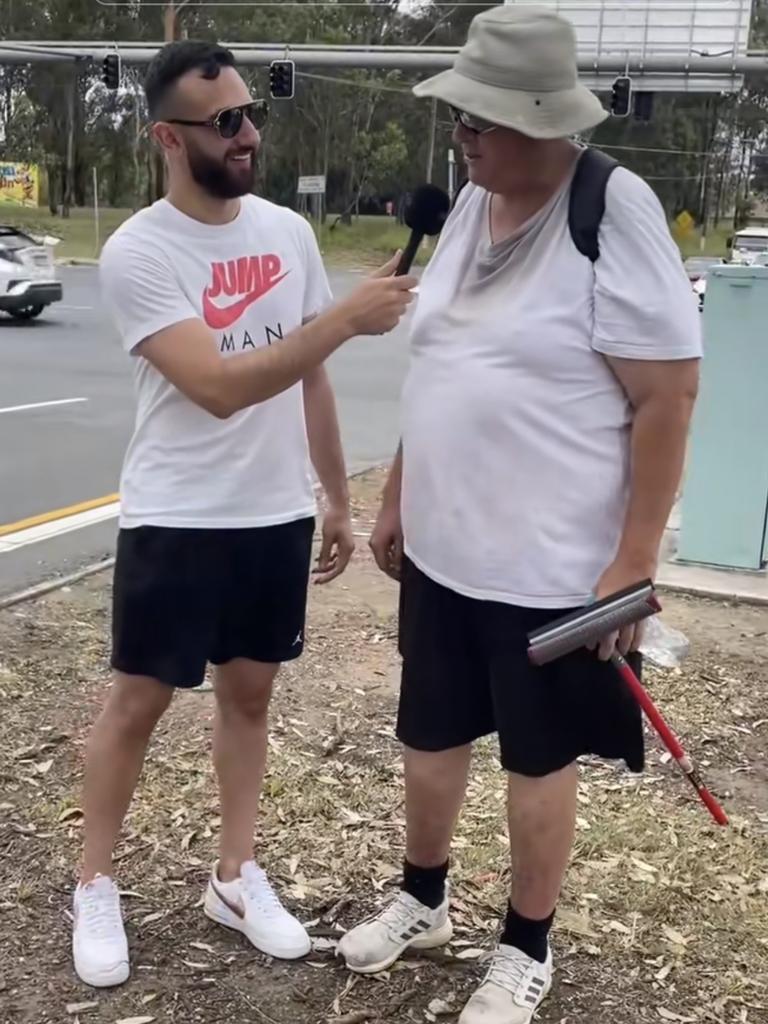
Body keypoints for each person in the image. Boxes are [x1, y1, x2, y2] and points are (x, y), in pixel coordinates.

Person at [337, 7, 701, 1023]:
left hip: (553, 567)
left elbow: (668, 395)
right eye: (459, 113)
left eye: (481, 117)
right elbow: (445, 361)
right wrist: (400, 490)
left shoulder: (608, 207)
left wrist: (632, 563)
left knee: (536, 760)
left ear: (545, 120)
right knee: (430, 734)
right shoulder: (467, 203)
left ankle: (524, 947)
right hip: (447, 553)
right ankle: (424, 896)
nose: (462, 131)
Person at [72, 40, 416, 989]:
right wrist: (343, 317)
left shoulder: (286, 234)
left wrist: (334, 499)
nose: (248, 134)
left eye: (249, 114)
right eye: (224, 122)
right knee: (137, 702)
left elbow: (306, 373)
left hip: (270, 517)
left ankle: (235, 875)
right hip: (177, 513)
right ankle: (95, 880)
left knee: (249, 697)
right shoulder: (137, 251)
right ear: (169, 140)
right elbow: (219, 387)